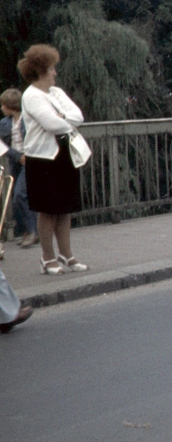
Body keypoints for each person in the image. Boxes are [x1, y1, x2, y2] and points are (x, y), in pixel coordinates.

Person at [18, 44, 88, 275]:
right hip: (42, 158)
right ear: (41, 71)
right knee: (48, 210)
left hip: (64, 154)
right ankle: (47, 258)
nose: (55, 73)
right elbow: (52, 124)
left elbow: (78, 116)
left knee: (65, 208)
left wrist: (62, 117)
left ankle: (66, 254)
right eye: (52, 69)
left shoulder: (56, 93)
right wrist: (63, 119)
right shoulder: (31, 96)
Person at [1, 88, 39, 248]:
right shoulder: (4, 123)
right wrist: (17, 156)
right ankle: (27, 231)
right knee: (18, 198)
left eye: (3, 105)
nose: (1, 108)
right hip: (17, 161)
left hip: (31, 160)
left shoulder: (28, 120)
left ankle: (32, 231)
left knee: (20, 195)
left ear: (11, 105)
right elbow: (2, 145)